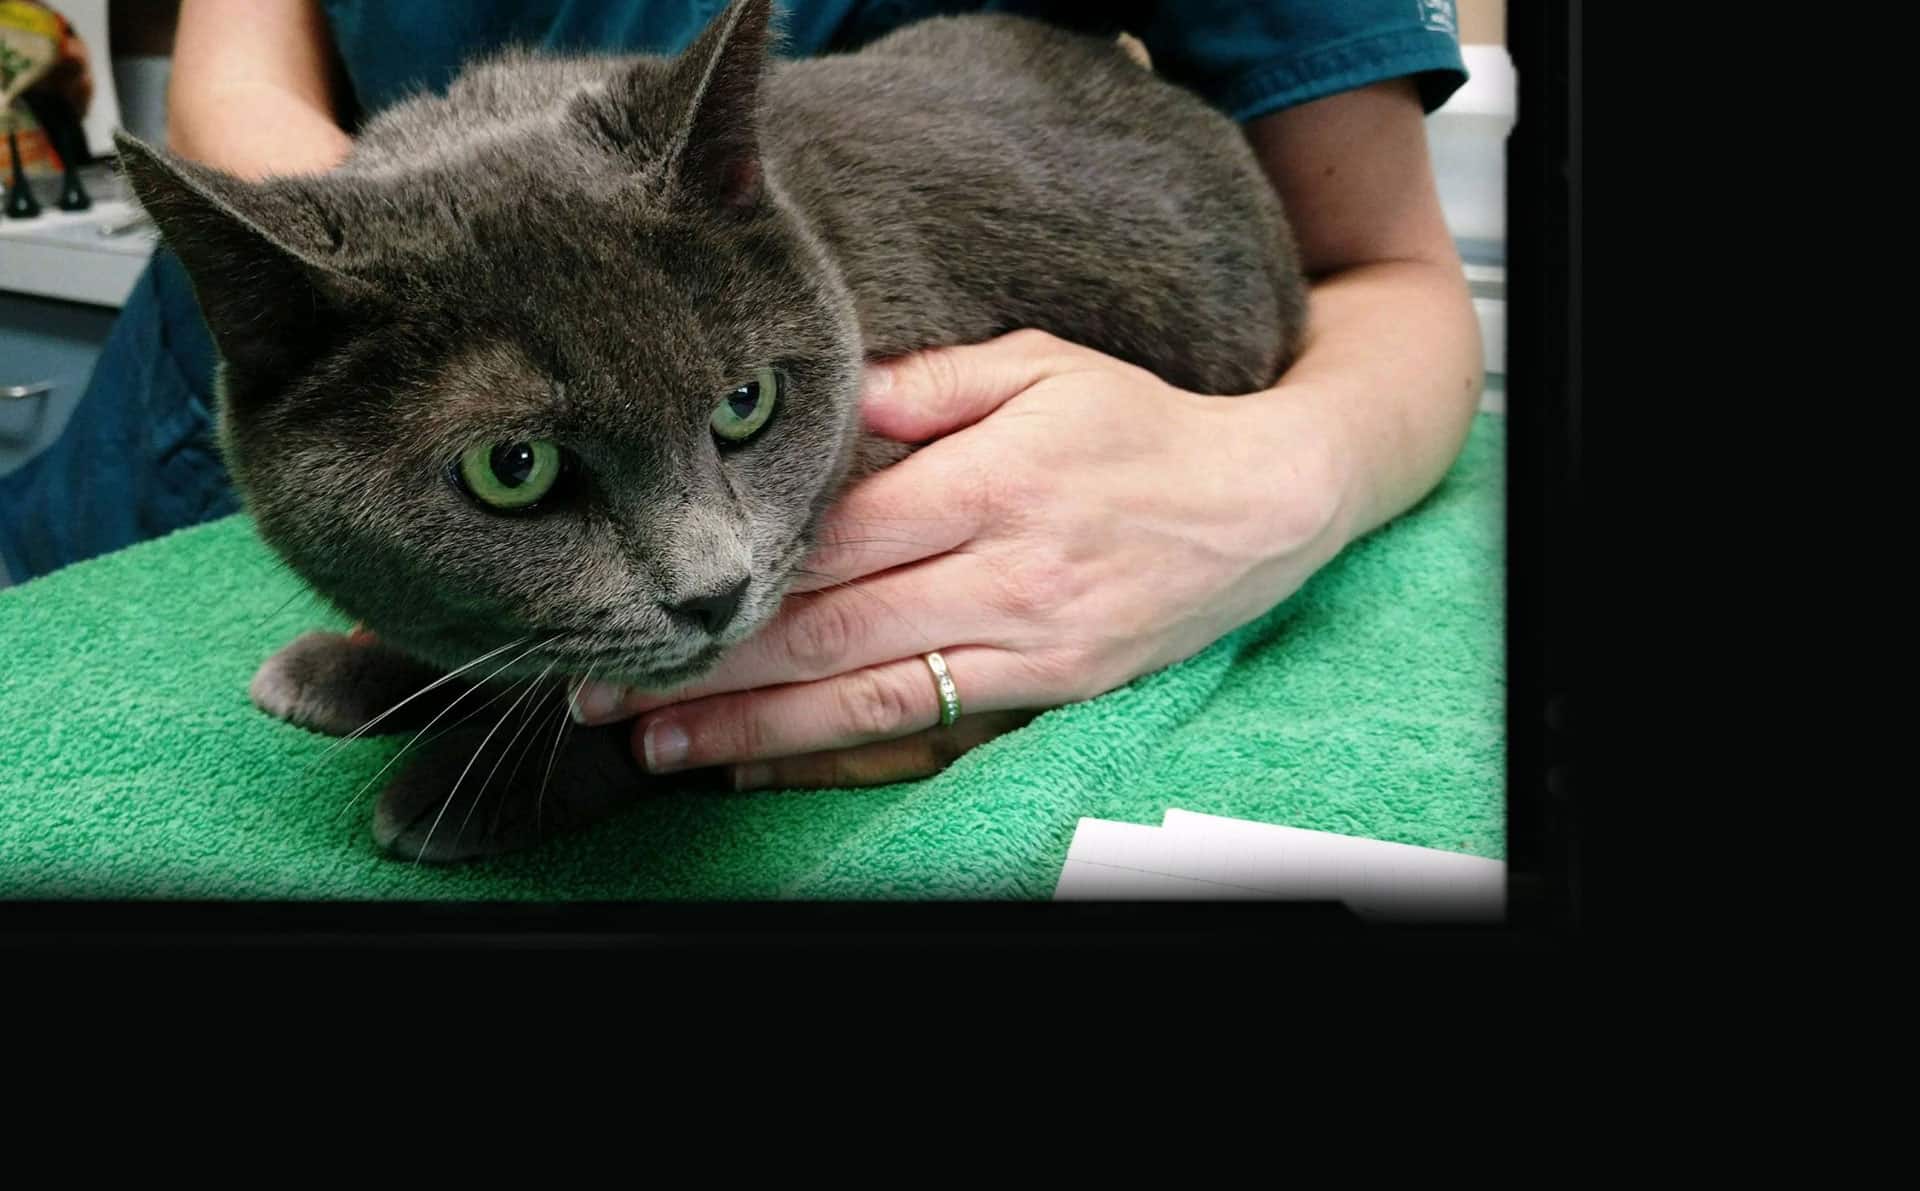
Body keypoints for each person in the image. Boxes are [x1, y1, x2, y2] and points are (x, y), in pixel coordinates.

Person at [0, 0, 1483, 791]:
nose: (713, 568)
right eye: (524, 474)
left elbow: (1392, 273)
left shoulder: (766, 273)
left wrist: (1273, 477)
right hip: (239, 401)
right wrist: (400, 277)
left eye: (743, 419)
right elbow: (235, 97)